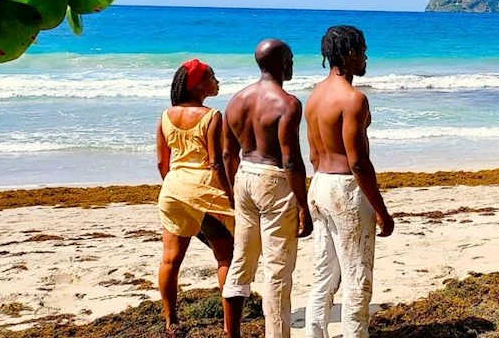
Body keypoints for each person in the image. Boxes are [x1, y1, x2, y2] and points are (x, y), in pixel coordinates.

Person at [304, 25, 394, 338]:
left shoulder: (315, 95)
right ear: (351, 53)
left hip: (319, 183)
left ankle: (315, 333)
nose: (367, 56)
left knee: (325, 271)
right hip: (345, 189)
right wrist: (381, 209)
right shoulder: (353, 99)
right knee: (357, 274)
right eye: (364, 50)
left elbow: (314, 154)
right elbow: (358, 161)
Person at [222, 39, 310, 338]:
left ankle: (231, 333)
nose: (293, 64)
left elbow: (226, 154)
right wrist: (303, 205)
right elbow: (291, 159)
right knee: (277, 270)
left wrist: (233, 190)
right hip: (274, 179)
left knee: (241, 261)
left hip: (244, 175)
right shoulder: (287, 103)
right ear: (281, 63)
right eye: (291, 58)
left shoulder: (236, 100)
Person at [155, 59, 237, 338]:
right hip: (203, 189)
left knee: (170, 260)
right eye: (212, 77)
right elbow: (217, 162)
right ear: (198, 85)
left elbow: (161, 163)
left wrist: (173, 186)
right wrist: (230, 194)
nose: (217, 81)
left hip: (173, 189)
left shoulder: (166, 116)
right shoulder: (212, 116)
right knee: (226, 257)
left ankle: (170, 322)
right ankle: (229, 329)